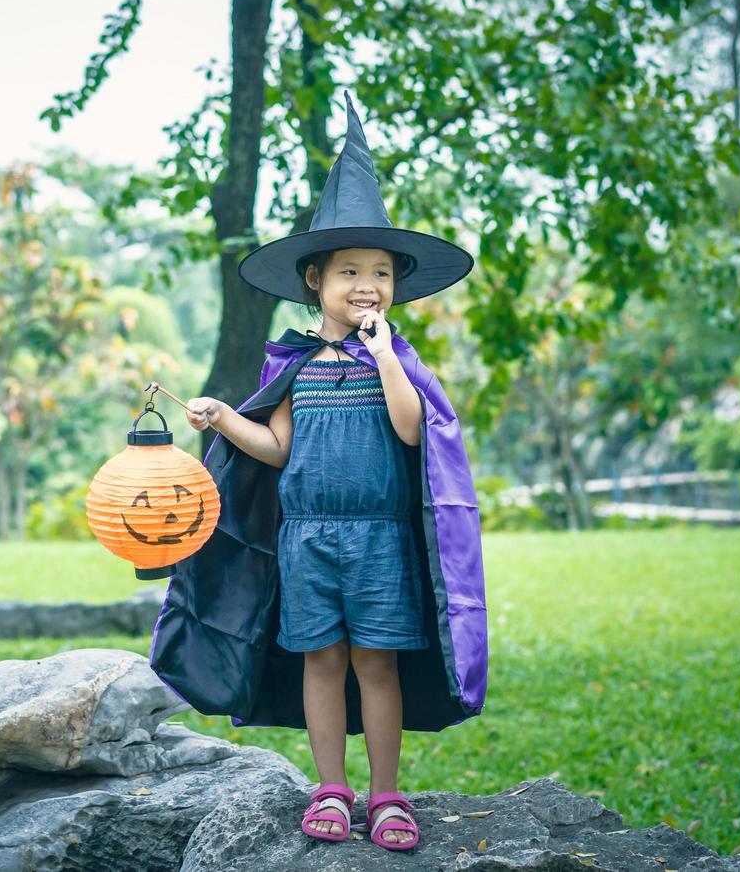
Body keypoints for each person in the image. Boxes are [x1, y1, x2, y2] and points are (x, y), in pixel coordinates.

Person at [145, 92, 486, 853]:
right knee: (323, 663)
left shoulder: (396, 364)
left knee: (378, 665)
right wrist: (223, 419)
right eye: (349, 272)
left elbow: (410, 426)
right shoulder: (295, 365)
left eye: (381, 274)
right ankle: (331, 787)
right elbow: (278, 449)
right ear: (314, 281)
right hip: (307, 541)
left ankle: (387, 794)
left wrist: (388, 352)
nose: (367, 285)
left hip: (379, 543)